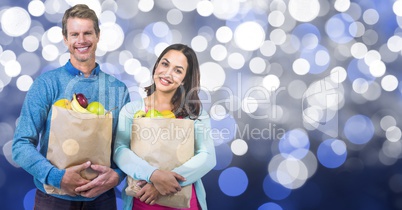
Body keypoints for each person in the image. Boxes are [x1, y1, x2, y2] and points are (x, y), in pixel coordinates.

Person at [12, 4, 130, 209]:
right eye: (75, 34)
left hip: (102, 200)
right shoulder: (47, 84)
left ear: (98, 36)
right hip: (52, 199)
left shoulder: (117, 89)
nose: (82, 40)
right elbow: (20, 145)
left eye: (87, 33)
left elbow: (127, 148)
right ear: (65, 39)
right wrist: (56, 177)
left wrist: (117, 176)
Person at [114, 43, 216, 210]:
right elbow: (120, 150)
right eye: (165, 63)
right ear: (157, 65)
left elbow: (207, 156)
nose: (167, 73)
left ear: (185, 79)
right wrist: (153, 175)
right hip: (142, 203)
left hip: (184, 203)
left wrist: (163, 184)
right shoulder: (132, 110)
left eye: (178, 70)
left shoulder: (195, 114)